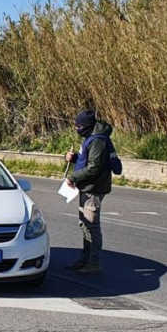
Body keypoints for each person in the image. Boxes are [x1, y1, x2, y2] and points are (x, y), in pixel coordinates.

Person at [64, 109, 114, 273]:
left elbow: (94, 168)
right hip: (86, 187)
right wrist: (75, 158)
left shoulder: (97, 141)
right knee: (84, 224)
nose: (76, 129)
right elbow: (88, 161)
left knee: (91, 225)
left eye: (78, 126)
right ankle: (85, 259)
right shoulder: (89, 138)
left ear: (86, 126)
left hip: (94, 188)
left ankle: (93, 263)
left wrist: (73, 177)